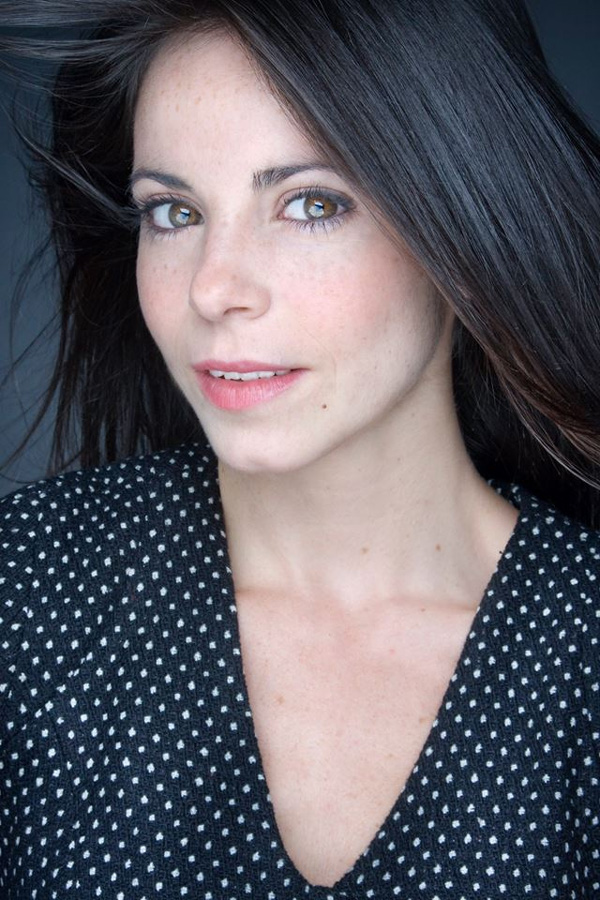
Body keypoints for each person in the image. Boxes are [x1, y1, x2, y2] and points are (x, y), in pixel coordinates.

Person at [0, 0, 599, 897]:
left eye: (311, 204)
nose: (213, 288)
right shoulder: (29, 587)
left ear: (466, 229)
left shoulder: (580, 645)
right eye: (173, 212)